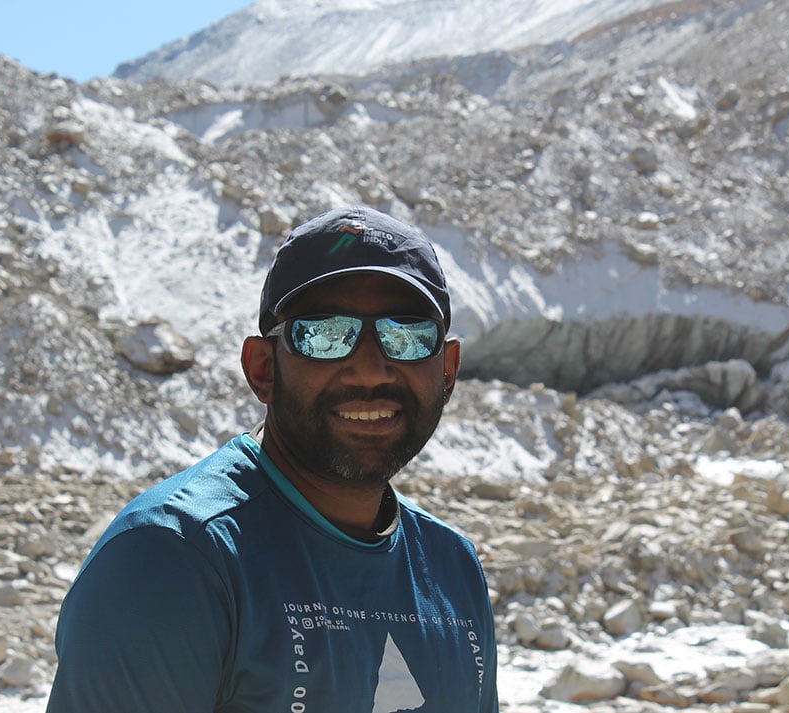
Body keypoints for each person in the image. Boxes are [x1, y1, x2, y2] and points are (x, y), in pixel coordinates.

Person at [46, 206, 499, 712]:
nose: (371, 369)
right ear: (262, 369)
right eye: (325, 334)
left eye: (408, 336)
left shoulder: (452, 567)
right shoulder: (173, 559)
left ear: (447, 370)